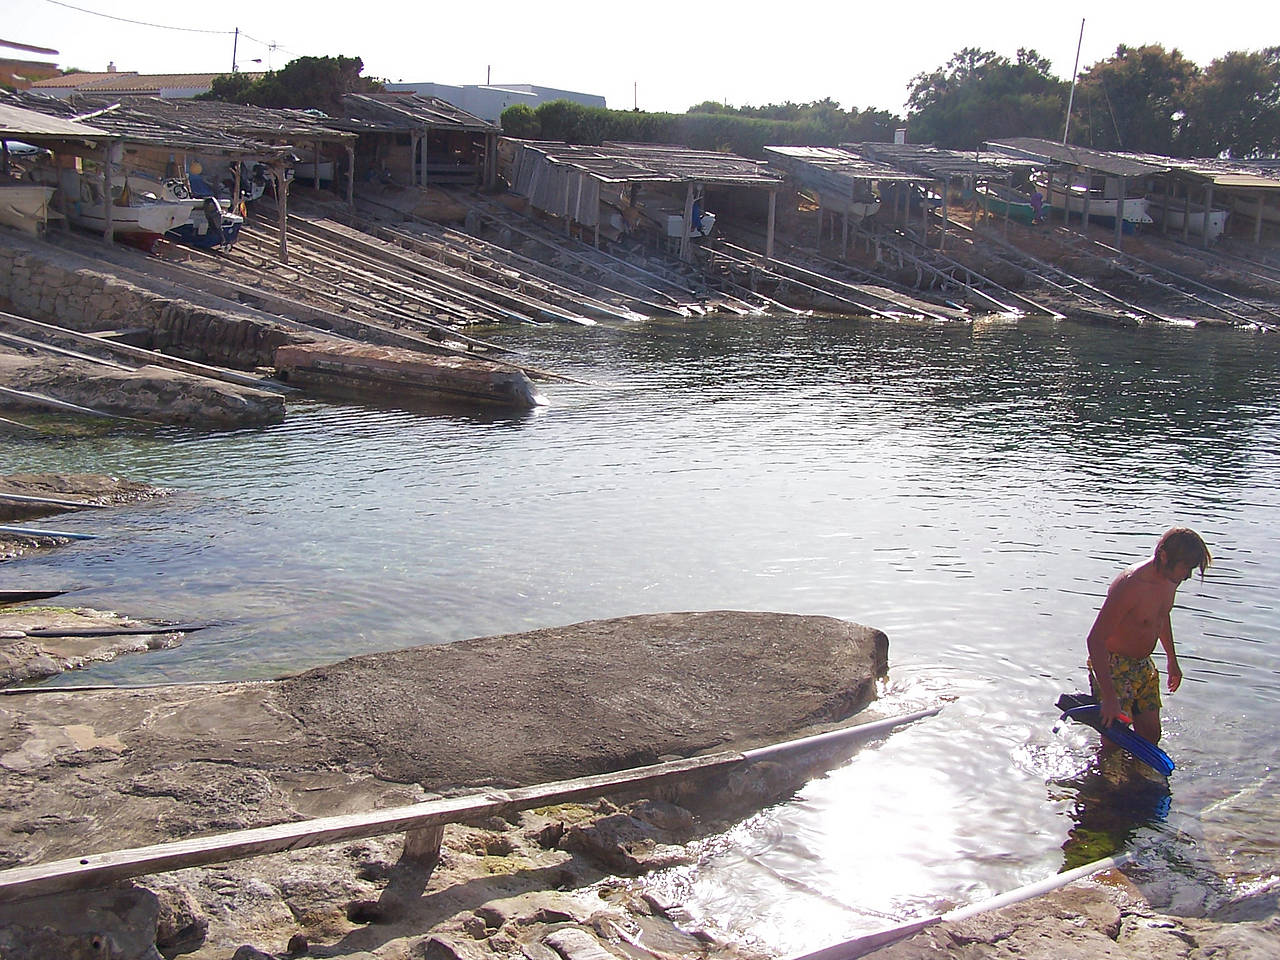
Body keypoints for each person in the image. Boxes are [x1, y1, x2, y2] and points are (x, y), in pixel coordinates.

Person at [1084, 527, 1212, 748]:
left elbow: (1161, 617)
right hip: (1115, 666)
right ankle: (1107, 777)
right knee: (1114, 739)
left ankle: (1138, 775)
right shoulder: (1131, 585)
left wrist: (1172, 660)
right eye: (1185, 567)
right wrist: (1110, 697)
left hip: (1143, 666)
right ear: (1164, 556)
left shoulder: (1170, 581)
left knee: (1151, 735)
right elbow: (1094, 640)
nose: (1187, 575)